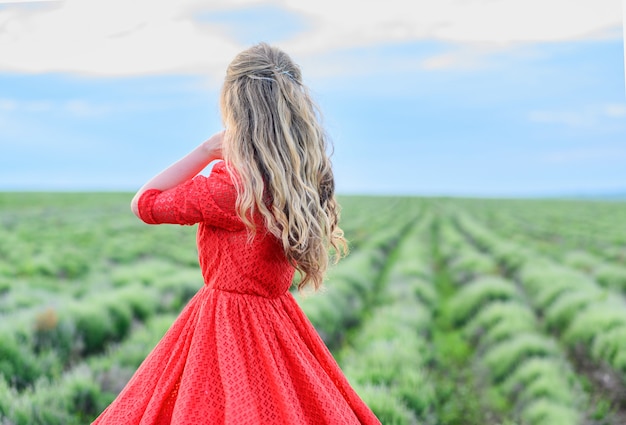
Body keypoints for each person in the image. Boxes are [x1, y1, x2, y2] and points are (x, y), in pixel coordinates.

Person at [91, 43, 381, 424]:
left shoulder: (231, 189)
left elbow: (145, 203)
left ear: (234, 104)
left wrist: (207, 149)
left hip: (226, 327)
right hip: (280, 324)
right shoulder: (298, 178)